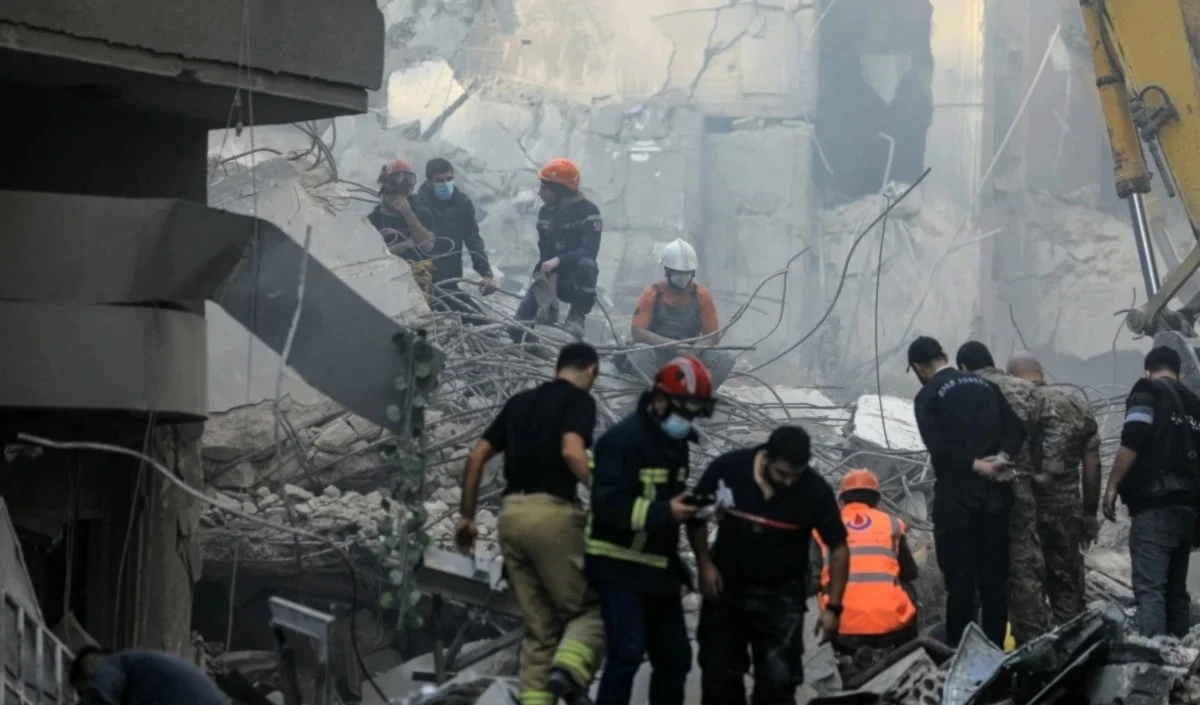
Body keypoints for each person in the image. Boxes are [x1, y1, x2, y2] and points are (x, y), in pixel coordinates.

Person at [455, 343, 606, 705]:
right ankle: (569, 676)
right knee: (591, 609)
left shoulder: (519, 403)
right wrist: (602, 491)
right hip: (551, 516)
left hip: (511, 516)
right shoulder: (580, 402)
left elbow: (476, 457)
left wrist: (467, 517)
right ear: (592, 370)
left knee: (540, 631)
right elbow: (572, 450)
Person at [586, 356, 716, 705]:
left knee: (675, 658)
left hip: (658, 567)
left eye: (693, 413)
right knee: (626, 652)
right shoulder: (620, 441)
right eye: (683, 410)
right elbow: (607, 505)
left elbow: (671, 499)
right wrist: (665, 511)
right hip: (617, 564)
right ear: (659, 400)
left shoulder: (675, 444)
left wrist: (693, 511)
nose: (686, 421)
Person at [688, 426, 849, 705]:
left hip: (781, 599)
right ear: (766, 458)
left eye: (795, 476)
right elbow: (695, 516)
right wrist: (704, 563)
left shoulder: (813, 491)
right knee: (719, 679)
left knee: (778, 681)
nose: (788, 482)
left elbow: (839, 547)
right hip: (727, 590)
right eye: (781, 474)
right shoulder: (729, 470)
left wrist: (833, 607)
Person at [908, 335, 1026, 648]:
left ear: (919, 368)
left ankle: (956, 658)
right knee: (994, 585)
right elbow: (1017, 430)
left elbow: (940, 451)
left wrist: (976, 465)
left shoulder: (927, 396)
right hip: (995, 501)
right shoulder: (987, 386)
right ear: (945, 354)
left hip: (956, 502)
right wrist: (1000, 458)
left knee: (960, 585)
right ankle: (994, 656)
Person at [955, 341, 1049, 645]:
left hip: (973, 493)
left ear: (964, 367)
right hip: (1020, 487)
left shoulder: (962, 390)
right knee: (1023, 567)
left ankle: (973, 642)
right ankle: (1032, 642)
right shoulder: (1027, 391)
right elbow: (1043, 445)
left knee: (974, 569)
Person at [1103, 345, 1200, 638]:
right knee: (1175, 592)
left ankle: (1153, 661)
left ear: (1147, 370)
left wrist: (1112, 486)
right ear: (1179, 373)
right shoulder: (1194, 402)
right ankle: (1179, 657)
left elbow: (1135, 436)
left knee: (1151, 590)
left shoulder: (1147, 389)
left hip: (1156, 503)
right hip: (1189, 508)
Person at [1009, 351, 1102, 627]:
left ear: (1011, 376)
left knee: (1026, 590)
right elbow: (1092, 465)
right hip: (1066, 513)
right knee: (1068, 589)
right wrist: (1089, 514)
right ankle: (1074, 646)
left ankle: (1033, 653)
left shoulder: (1011, 406)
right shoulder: (1075, 406)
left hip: (1022, 515)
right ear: (1041, 370)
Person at [811, 468, 918, 655]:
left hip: (840, 632)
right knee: (907, 586)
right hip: (890, 629)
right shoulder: (891, 524)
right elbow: (910, 572)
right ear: (877, 500)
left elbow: (811, 580)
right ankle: (908, 652)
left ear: (841, 500)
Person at [619, 239, 735, 390]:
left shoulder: (701, 295)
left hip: (688, 355)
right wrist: (676, 346)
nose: (683, 278)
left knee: (723, 360)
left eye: (687, 274)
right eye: (678, 274)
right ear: (667, 271)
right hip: (656, 353)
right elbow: (638, 332)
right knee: (640, 355)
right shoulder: (652, 293)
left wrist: (695, 349)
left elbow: (713, 336)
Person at [511, 158, 601, 343]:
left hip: (574, 281)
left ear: (559, 190)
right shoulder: (545, 213)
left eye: (544, 188)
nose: (539, 193)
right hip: (551, 277)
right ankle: (535, 355)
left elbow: (589, 251)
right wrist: (543, 292)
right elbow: (544, 254)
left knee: (588, 264)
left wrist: (560, 260)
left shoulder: (589, 212)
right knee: (516, 328)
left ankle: (577, 316)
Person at [417, 158, 497, 323]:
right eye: (439, 180)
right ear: (429, 181)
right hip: (421, 278)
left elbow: (473, 240)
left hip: (449, 279)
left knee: (481, 323)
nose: (445, 184)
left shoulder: (462, 203)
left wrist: (486, 273)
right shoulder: (418, 203)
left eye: (449, 179)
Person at [368, 158, 437, 296]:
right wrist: (406, 244)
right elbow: (370, 258)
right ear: (385, 188)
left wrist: (408, 214)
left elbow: (428, 245)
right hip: (385, 282)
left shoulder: (420, 212)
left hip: (418, 282)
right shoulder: (373, 220)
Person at [69, 647, 226, 705]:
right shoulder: (138, 666)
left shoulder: (113, 664)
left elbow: (98, 697)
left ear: (88, 668)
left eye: (81, 690)